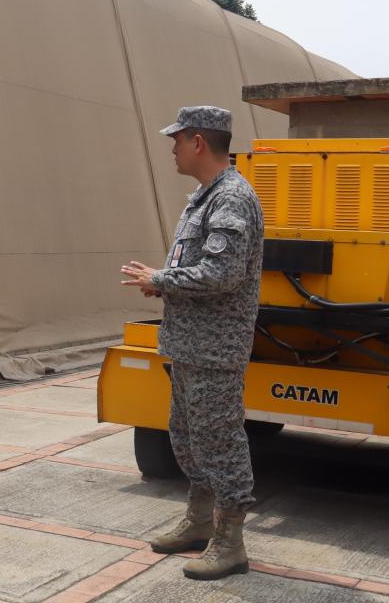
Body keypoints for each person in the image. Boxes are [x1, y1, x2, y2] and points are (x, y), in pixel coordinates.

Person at [120, 105, 263, 581]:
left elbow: (223, 272)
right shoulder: (203, 197)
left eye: (176, 140)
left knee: (220, 443)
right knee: (187, 438)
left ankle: (231, 543)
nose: (173, 150)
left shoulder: (231, 199)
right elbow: (196, 266)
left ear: (198, 141)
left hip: (214, 348)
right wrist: (163, 283)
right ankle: (200, 523)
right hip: (188, 344)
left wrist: (162, 277)